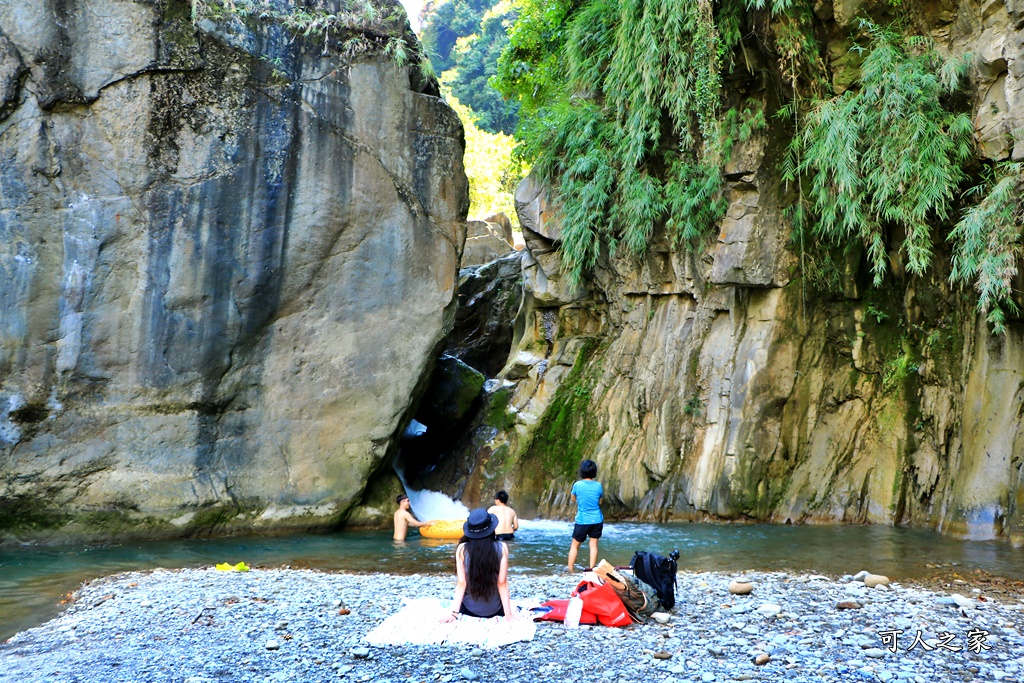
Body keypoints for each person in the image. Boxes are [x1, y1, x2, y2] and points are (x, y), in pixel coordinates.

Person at [439, 508, 516, 622]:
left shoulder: (462, 549)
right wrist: (508, 615)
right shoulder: (502, 547)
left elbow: (461, 583)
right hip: (494, 610)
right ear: (491, 528)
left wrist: (454, 615)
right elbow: (502, 583)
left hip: (469, 610)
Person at [567, 459, 603, 573]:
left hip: (582, 520)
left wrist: (579, 500)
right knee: (593, 545)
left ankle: (570, 569)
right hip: (596, 519)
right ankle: (591, 569)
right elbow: (600, 501)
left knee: (575, 545)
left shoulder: (577, 485)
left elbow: (573, 498)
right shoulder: (598, 486)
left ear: (582, 472)